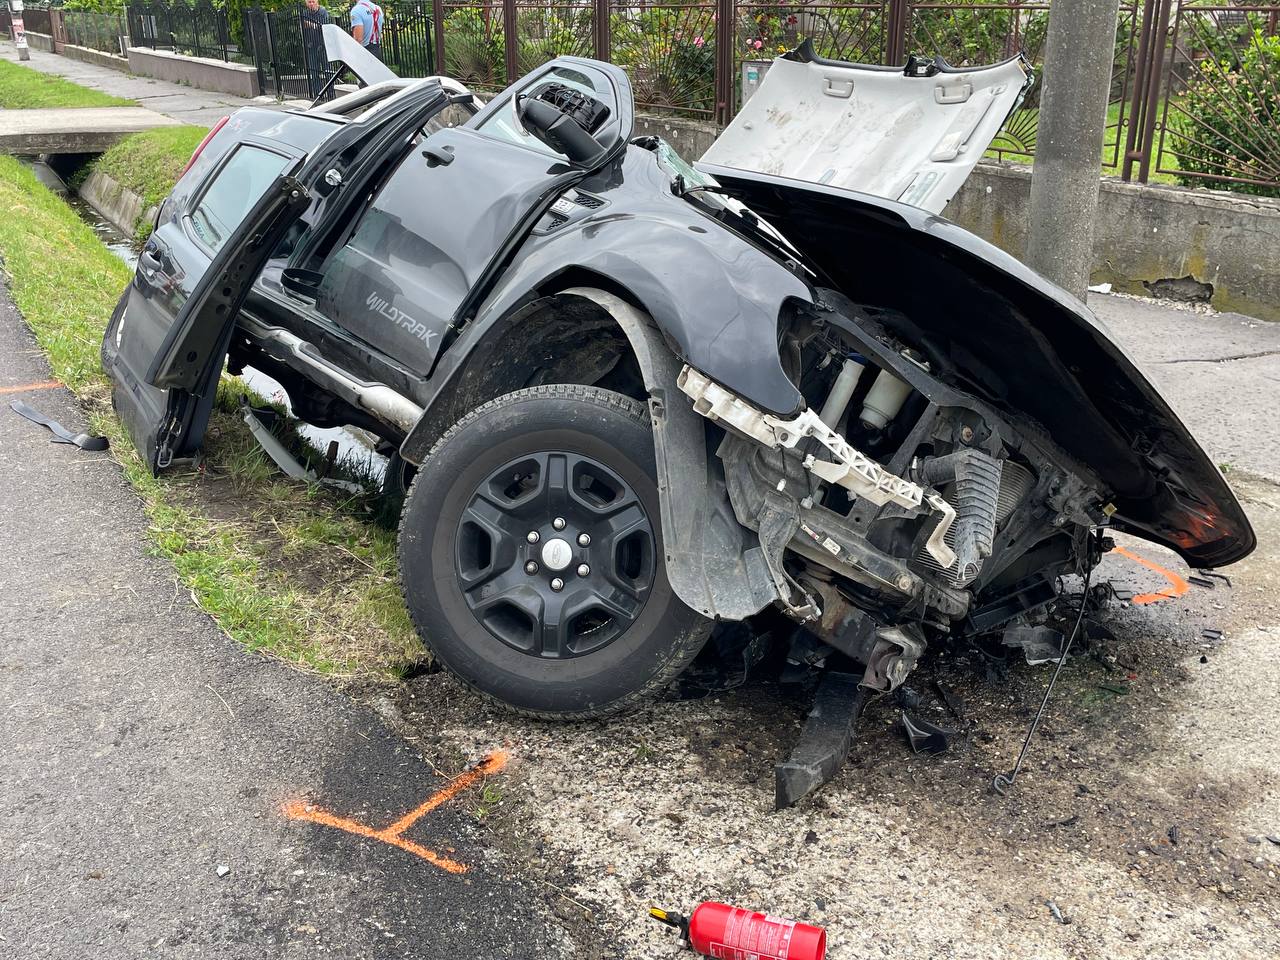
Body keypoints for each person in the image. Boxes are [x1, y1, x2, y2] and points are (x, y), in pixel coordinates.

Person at [300, 0, 334, 98]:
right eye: (309, 2)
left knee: (328, 71)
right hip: (311, 46)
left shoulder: (322, 12)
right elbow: (303, 27)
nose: (311, 4)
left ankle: (331, 94)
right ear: (306, 3)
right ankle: (318, 95)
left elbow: (324, 27)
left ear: (317, 2)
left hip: (323, 46)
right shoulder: (305, 13)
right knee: (314, 72)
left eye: (313, 1)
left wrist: (311, 25)